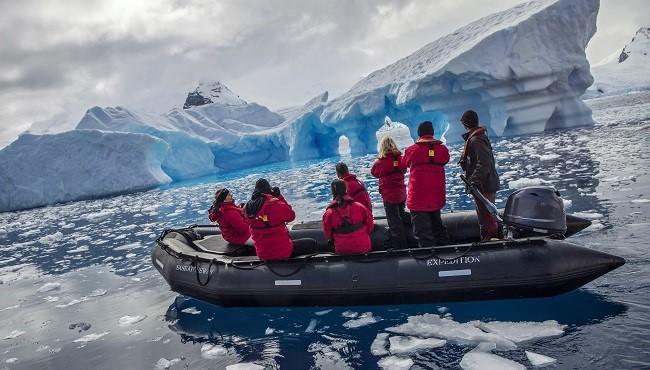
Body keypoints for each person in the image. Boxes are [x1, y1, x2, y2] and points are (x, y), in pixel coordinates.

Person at [401, 121, 450, 247]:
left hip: (418, 196)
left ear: (419, 133)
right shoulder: (442, 149)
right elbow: (445, 159)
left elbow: (403, 164)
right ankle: (446, 253)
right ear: (432, 132)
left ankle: (429, 259)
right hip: (436, 195)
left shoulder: (411, 150)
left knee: (422, 232)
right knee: (437, 226)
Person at [244, 178, 317, 261]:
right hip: (282, 251)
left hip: (263, 254)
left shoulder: (247, 209)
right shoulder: (275, 204)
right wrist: (279, 197)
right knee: (311, 243)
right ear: (268, 189)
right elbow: (291, 216)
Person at [458, 110, 500, 241]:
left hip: (484, 185)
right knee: (486, 217)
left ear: (465, 124)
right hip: (484, 183)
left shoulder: (476, 140)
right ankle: (492, 240)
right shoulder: (478, 137)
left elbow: (484, 163)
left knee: (486, 218)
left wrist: (474, 181)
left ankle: (490, 242)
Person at [371, 136, 409, 249]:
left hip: (389, 196)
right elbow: (405, 168)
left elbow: (374, 172)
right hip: (401, 194)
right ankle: (412, 230)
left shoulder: (380, 162)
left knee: (394, 222)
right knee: (401, 214)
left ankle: (400, 247)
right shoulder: (401, 159)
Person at [322, 179, 374, 254]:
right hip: (363, 247)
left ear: (332, 192)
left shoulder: (329, 213)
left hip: (342, 250)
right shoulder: (359, 207)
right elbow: (370, 223)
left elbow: (328, 233)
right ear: (346, 189)